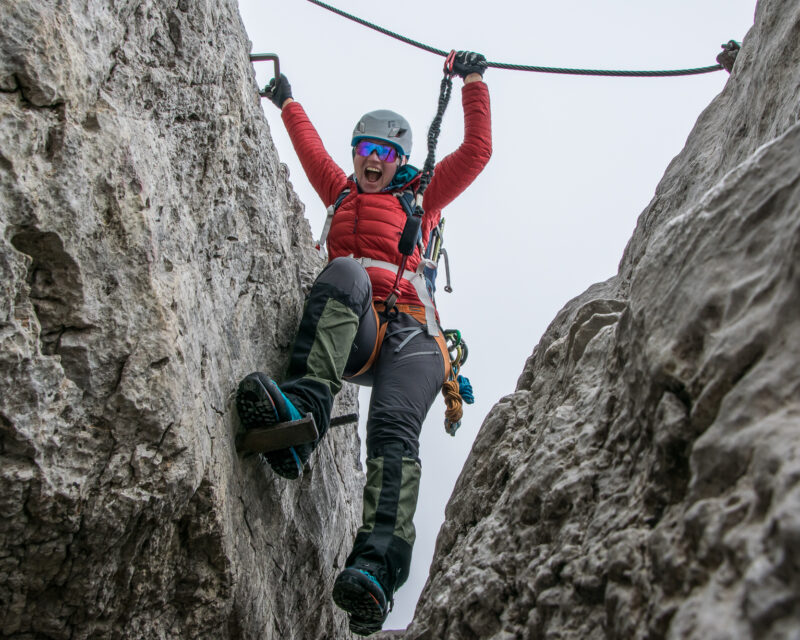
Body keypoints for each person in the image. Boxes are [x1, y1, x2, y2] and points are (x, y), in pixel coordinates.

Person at [236, 51, 491, 636]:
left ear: (400, 161)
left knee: (393, 428)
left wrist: (473, 82)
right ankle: (302, 419)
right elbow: (312, 152)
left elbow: (476, 152)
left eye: (385, 154)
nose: (372, 161)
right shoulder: (342, 193)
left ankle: (376, 572)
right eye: (365, 151)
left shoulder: (422, 195)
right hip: (360, 327)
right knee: (346, 271)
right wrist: (286, 101)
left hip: (416, 337)